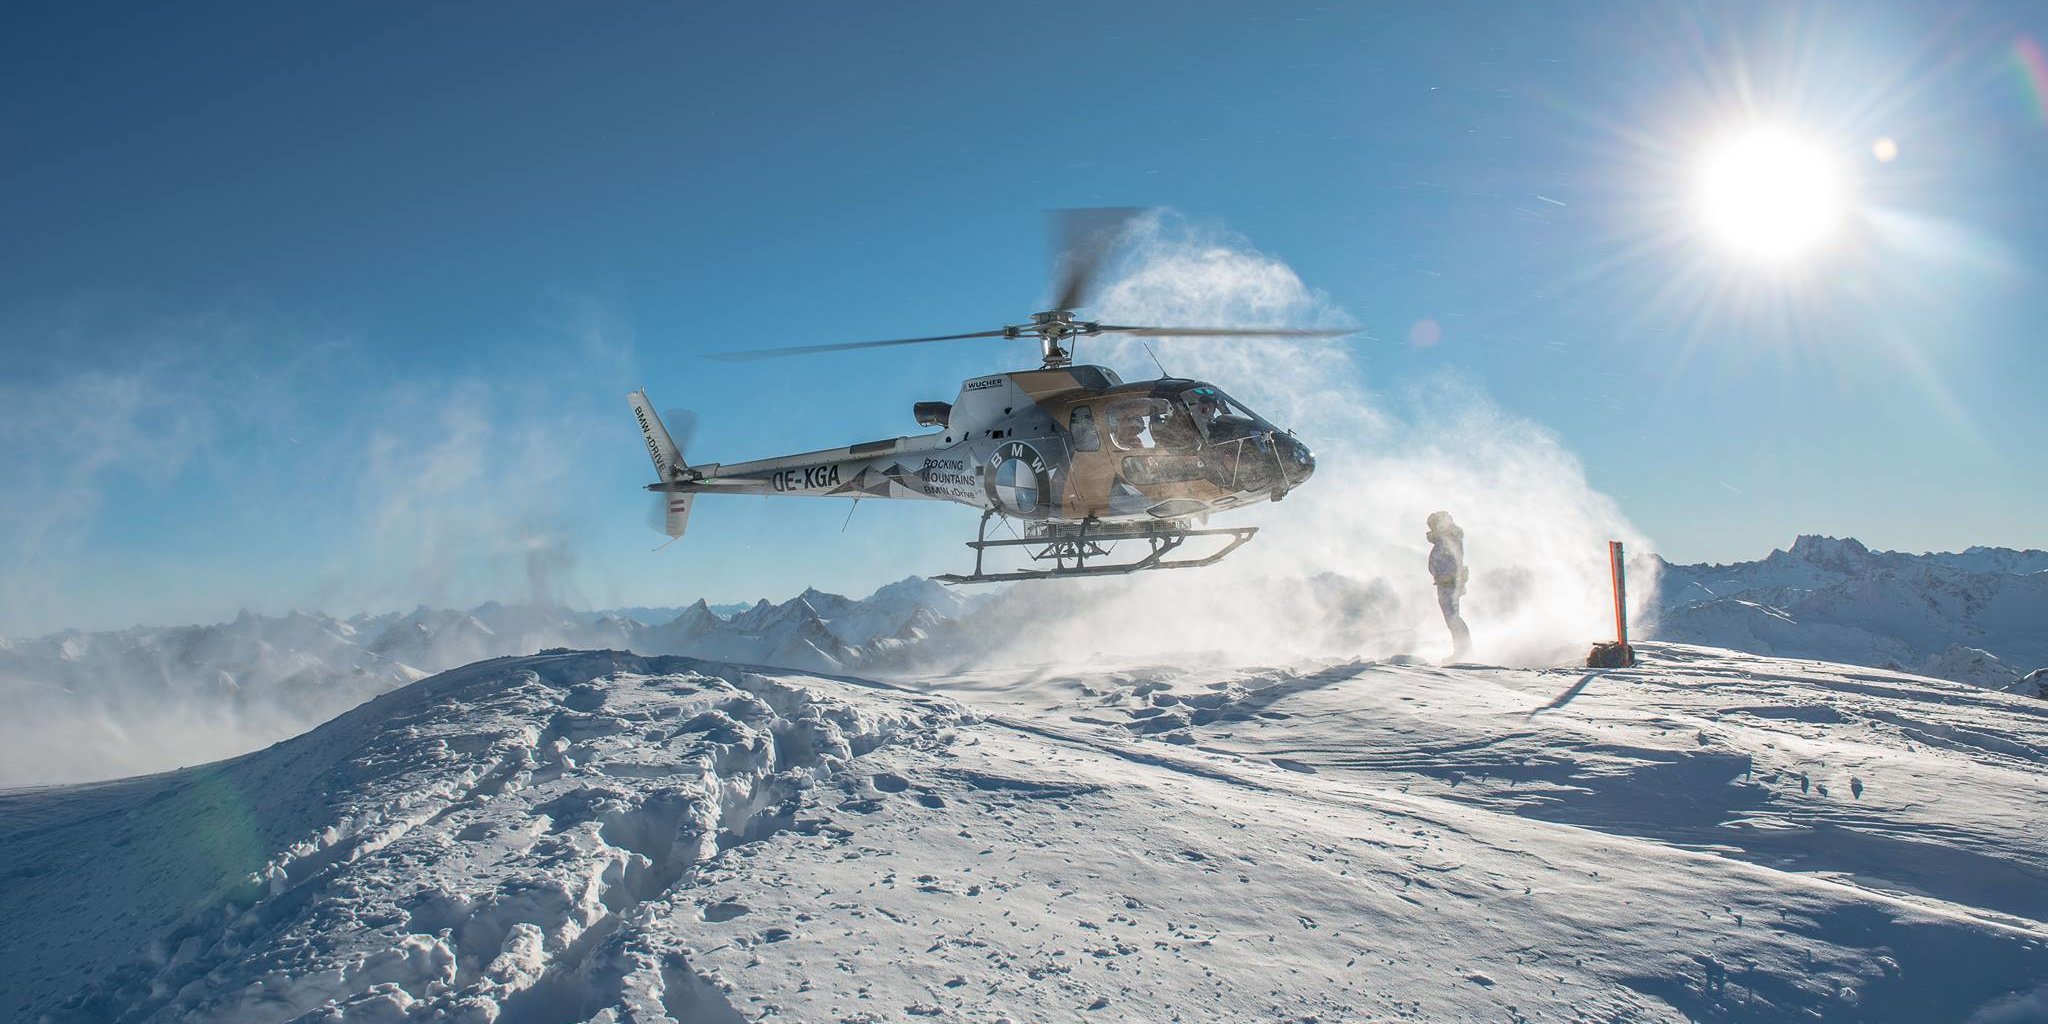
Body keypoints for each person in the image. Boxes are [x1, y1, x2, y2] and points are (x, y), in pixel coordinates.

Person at [1427, 510, 1471, 659]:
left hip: (1448, 583)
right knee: (1451, 618)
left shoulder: (1449, 539)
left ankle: (1463, 652)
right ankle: (1461, 651)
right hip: (1445, 582)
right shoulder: (1447, 539)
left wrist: (1449, 577)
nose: (1430, 529)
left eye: (1432, 525)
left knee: (1453, 618)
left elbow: (1453, 562)